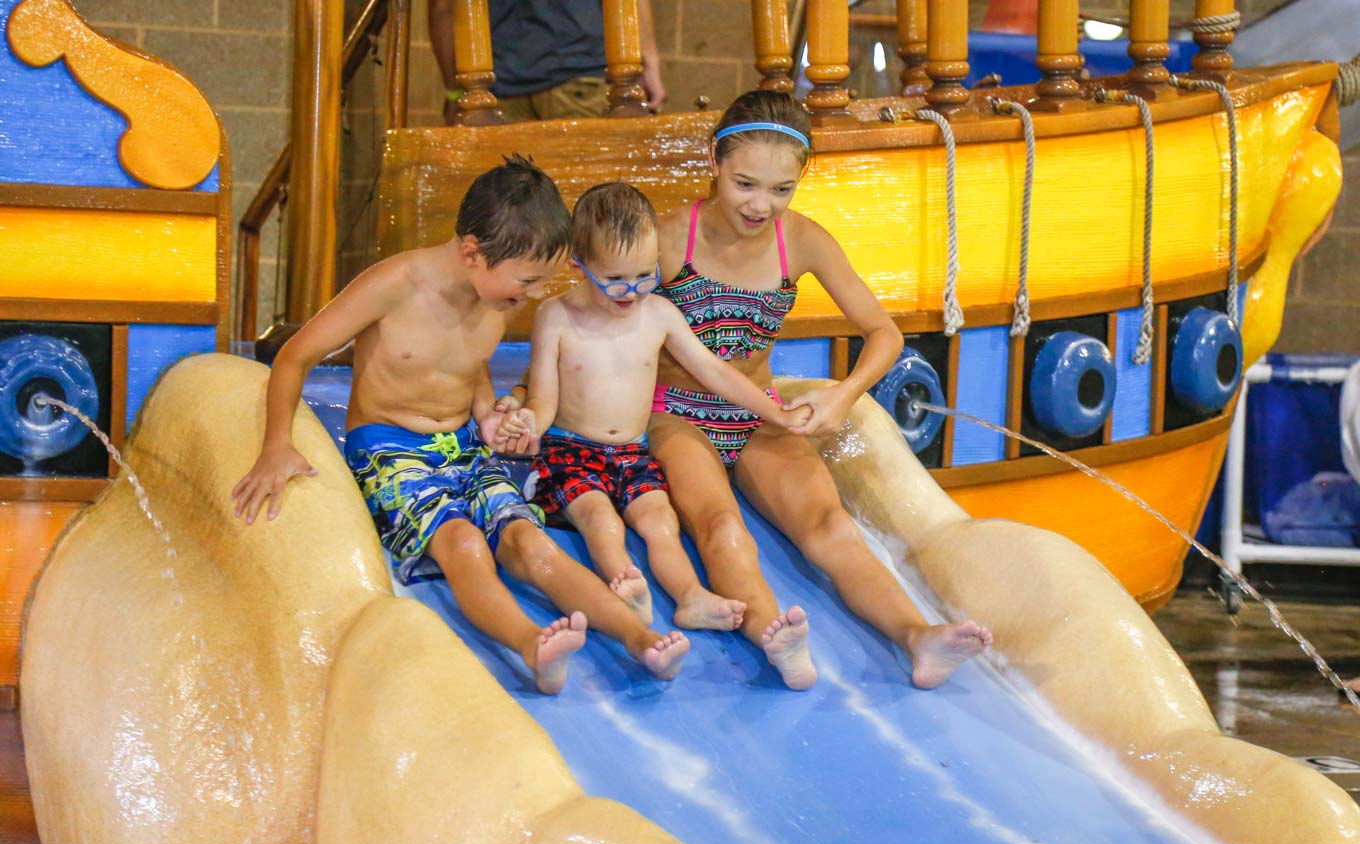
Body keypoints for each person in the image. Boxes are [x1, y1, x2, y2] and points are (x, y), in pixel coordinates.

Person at [230, 155, 689, 694]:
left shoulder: (496, 290)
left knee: (531, 542)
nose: (535, 294)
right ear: (472, 253)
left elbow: (466, 364)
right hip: (389, 449)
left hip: (465, 447)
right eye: (529, 281)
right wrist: (276, 444)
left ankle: (638, 638)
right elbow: (294, 357)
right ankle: (531, 645)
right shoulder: (395, 285)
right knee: (465, 545)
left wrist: (489, 416)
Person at [647, 90, 994, 691]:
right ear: (714, 162)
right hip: (674, 413)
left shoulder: (801, 240)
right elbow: (599, 313)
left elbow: (883, 333)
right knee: (721, 526)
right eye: (745, 184)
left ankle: (919, 638)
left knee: (830, 525)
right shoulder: (669, 237)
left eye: (781, 189)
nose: (761, 205)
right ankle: (770, 635)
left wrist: (844, 395)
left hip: (761, 417)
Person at [492, 182, 810, 635]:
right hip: (570, 450)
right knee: (600, 518)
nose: (632, 292)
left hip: (633, 451)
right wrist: (528, 420)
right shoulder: (556, 316)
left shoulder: (658, 313)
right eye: (616, 279)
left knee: (661, 519)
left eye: (645, 276)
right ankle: (625, 587)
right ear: (578, 265)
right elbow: (543, 397)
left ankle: (689, 597)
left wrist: (775, 413)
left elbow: (714, 372)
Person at [429, 0, 667, 125]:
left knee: (505, 211)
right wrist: (648, 58)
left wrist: (455, 91)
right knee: (584, 207)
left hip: (496, 84)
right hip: (578, 71)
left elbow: (442, 8)